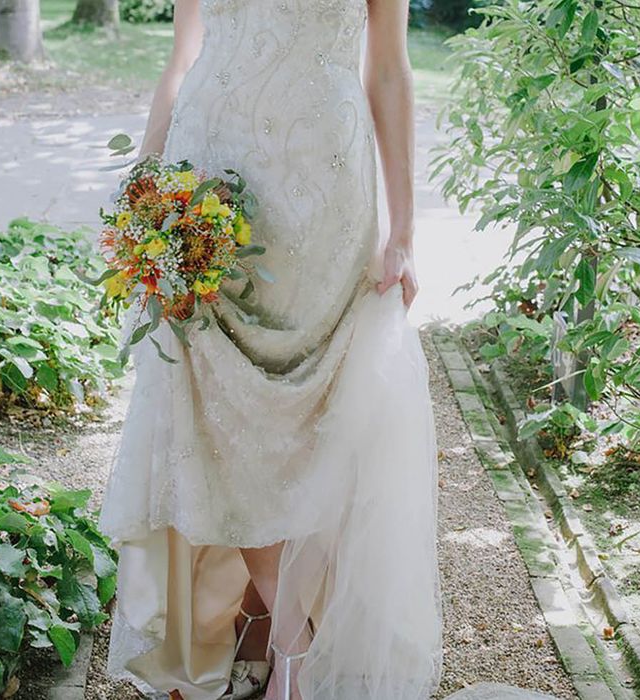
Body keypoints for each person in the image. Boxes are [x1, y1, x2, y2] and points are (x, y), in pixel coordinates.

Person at [97, 0, 443, 697]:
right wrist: (144, 184)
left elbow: (388, 67)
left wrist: (403, 227)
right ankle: (293, 644)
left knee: (304, 420)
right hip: (209, 177)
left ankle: (266, 615)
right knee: (218, 409)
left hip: (322, 190)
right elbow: (184, 56)